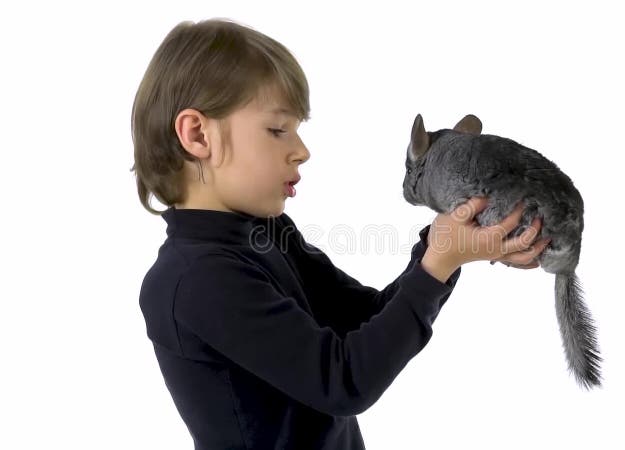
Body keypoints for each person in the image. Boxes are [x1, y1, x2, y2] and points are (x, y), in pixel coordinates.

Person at [131, 18, 551, 450]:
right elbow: (344, 382)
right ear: (198, 135)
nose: (302, 150)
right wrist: (438, 263)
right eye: (278, 130)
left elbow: (364, 319)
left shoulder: (266, 232)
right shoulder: (196, 280)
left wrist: (444, 248)